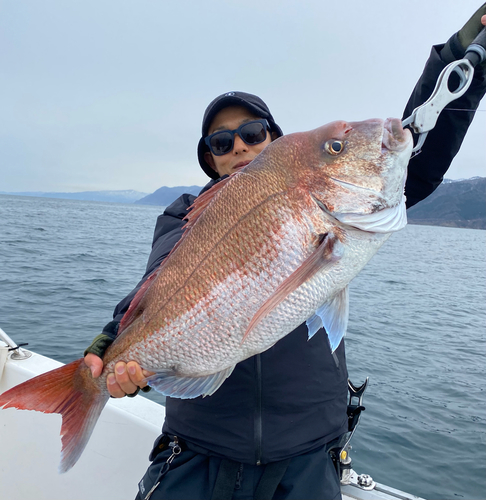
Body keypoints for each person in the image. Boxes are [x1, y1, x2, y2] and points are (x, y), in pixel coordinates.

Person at [84, 8, 486, 500]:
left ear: (274, 139)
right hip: (198, 449)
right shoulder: (183, 216)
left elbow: (415, 147)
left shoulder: (334, 206)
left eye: (253, 133)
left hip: (307, 454)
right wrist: (109, 349)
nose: (239, 146)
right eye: (221, 141)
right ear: (209, 157)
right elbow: (158, 289)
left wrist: (464, 54)